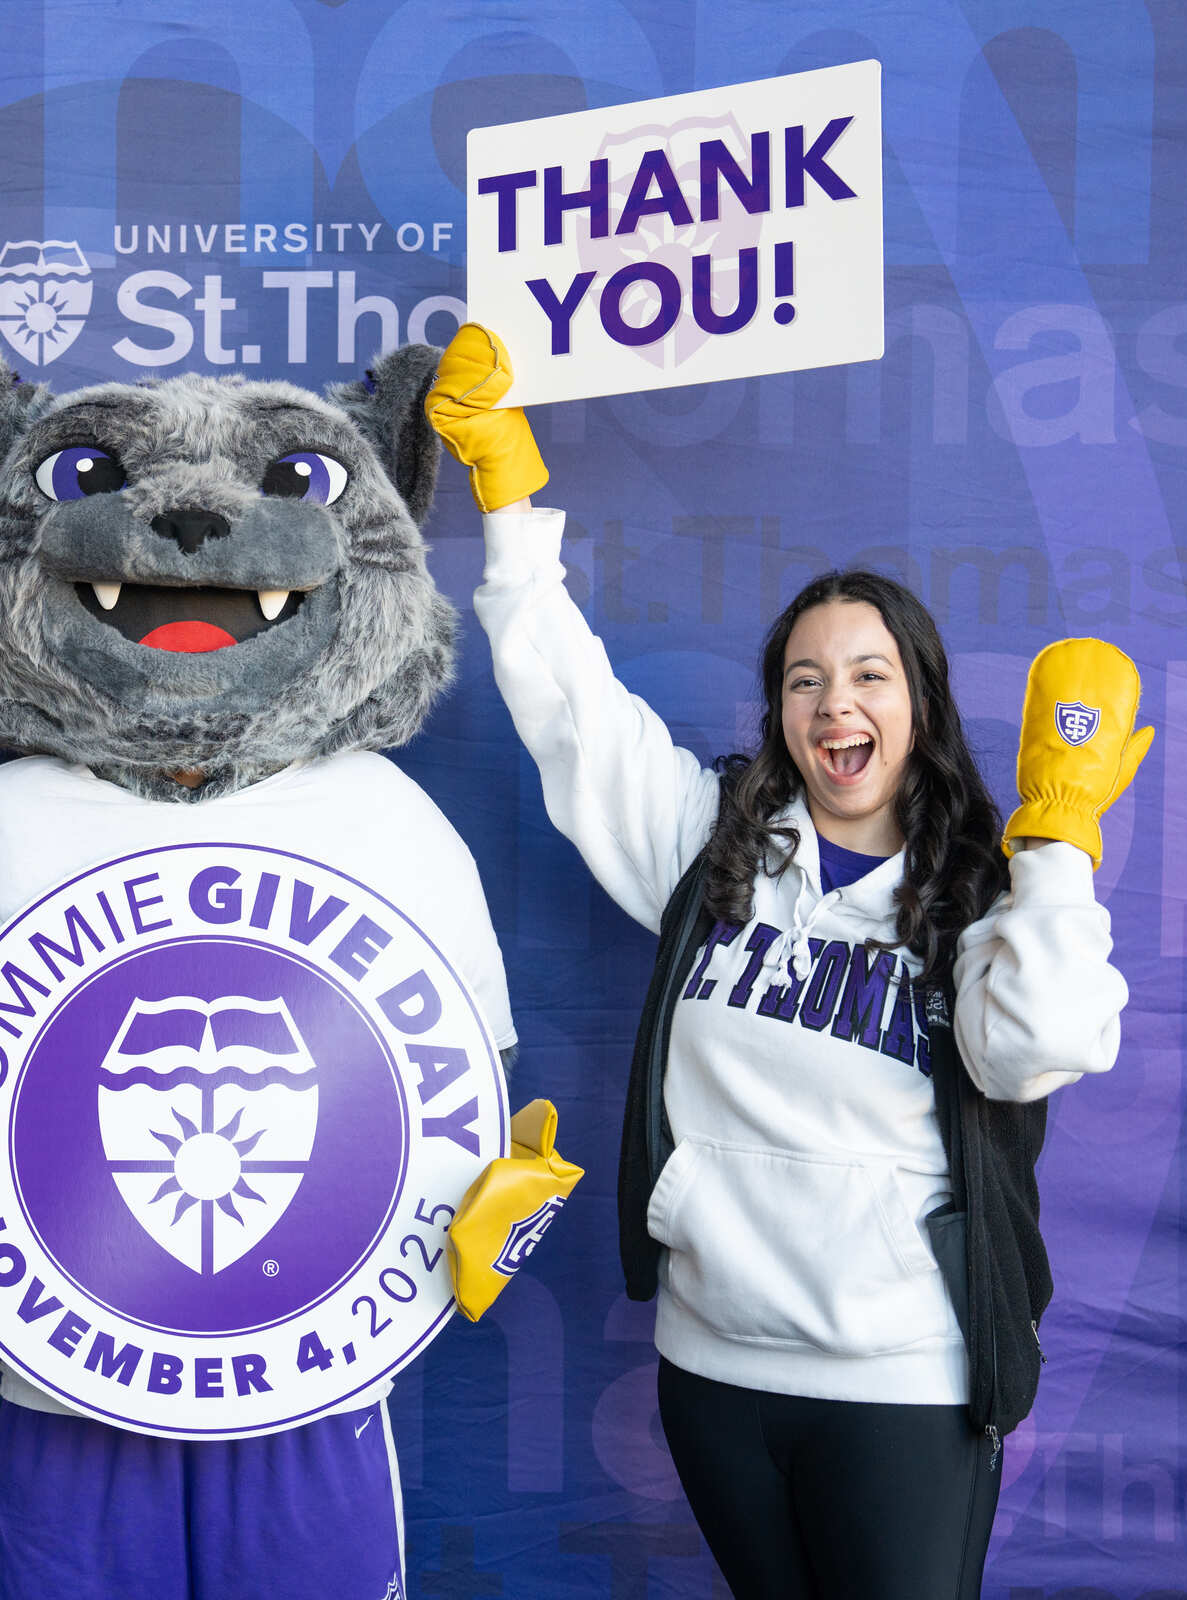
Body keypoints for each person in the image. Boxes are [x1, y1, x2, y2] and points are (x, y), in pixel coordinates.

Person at [424, 329, 1148, 1599]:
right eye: (805, 680)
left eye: (868, 674)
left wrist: (1061, 841)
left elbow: (1036, 1049)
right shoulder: (711, 852)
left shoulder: (982, 889)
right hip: (716, 1369)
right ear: (781, 715)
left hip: (901, 1378)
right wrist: (506, 490)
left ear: (916, 702)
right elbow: (575, 711)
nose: (834, 704)